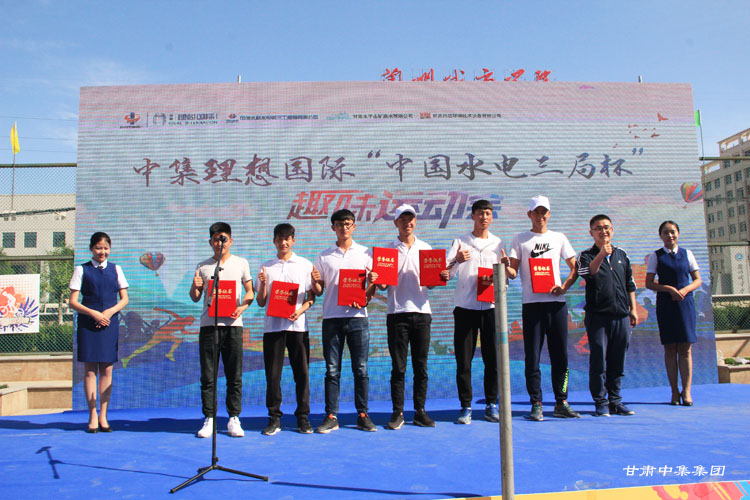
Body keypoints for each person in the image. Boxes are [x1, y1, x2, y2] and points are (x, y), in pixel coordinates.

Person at [507, 195, 580, 421]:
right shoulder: (520, 239)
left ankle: (561, 401)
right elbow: (513, 272)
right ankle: (536, 403)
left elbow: (575, 268)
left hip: (556, 305)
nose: (540, 216)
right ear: (529, 214)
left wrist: (564, 287)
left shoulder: (559, 237)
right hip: (532, 305)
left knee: (561, 357)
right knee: (532, 357)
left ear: (549, 214)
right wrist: (505, 267)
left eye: (544, 212)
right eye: (536, 212)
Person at [444, 199, 509, 425]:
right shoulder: (460, 242)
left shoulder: (498, 243)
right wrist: (456, 260)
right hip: (465, 308)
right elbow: (446, 274)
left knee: (492, 360)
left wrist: (506, 268)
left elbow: (505, 277)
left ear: (492, 217)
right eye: (480, 213)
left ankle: (491, 404)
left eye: (488, 213)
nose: (484, 217)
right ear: (472, 216)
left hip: (491, 309)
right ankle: (466, 406)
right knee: (464, 361)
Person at [312, 209, 376, 433]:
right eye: (339, 224)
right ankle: (331, 415)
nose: (344, 228)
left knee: (361, 369)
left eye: (348, 224)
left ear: (354, 226)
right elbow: (319, 290)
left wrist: (369, 289)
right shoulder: (324, 256)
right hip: (332, 318)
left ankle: (363, 414)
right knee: (332, 370)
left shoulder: (366, 253)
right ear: (333, 228)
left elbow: (371, 290)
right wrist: (315, 281)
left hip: (358, 318)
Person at [373, 204, 437, 430]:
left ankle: (420, 411)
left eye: (411, 219)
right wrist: (376, 278)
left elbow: (431, 283)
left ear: (415, 222)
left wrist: (440, 275)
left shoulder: (426, 248)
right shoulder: (387, 251)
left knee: (421, 366)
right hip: (397, 313)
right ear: (396, 223)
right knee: (398, 367)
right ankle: (397, 412)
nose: (407, 223)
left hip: (422, 312)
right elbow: (382, 286)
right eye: (403, 219)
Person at [190, 222, 254, 438]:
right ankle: (209, 418)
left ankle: (234, 417)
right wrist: (195, 285)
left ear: (231, 241)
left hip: (233, 326)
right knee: (208, 376)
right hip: (209, 326)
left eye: (224, 239)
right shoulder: (203, 266)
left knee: (234, 374)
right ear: (210, 242)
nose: (220, 243)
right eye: (216, 239)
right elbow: (195, 297)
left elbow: (250, 291)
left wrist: (242, 306)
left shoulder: (241, 263)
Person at [255, 223, 316, 435]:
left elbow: (311, 297)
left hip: (298, 327)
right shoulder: (266, 267)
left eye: (287, 238)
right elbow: (261, 302)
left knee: (302, 373)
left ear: (293, 240)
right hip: (273, 328)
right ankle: (274, 418)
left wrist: (299, 312)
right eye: (279, 238)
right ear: (274, 241)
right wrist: (263, 284)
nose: (283, 242)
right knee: (273, 375)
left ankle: (303, 417)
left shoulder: (305, 264)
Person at [577, 215, 638, 417]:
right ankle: (600, 402)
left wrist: (633, 309)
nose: (603, 231)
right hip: (598, 317)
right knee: (599, 361)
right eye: (598, 228)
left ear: (612, 230)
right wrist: (602, 254)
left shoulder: (622, 254)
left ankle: (616, 400)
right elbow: (588, 273)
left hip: (621, 315)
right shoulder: (585, 256)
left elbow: (629, 283)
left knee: (617, 360)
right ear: (591, 232)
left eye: (606, 227)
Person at [69, 232, 129, 433]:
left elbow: (124, 299)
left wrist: (109, 312)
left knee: (107, 369)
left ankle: (104, 415)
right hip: (88, 323)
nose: (102, 252)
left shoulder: (116, 269)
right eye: (98, 248)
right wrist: (94, 313)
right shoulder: (82, 269)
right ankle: (92, 415)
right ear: (91, 249)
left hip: (109, 323)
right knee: (89, 370)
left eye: (105, 248)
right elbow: (73, 302)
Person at [645, 220, 701, 406]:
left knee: (685, 348)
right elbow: (649, 283)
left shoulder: (687, 253)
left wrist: (684, 291)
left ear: (678, 233)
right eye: (666, 232)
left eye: (673, 232)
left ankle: (687, 391)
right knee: (670, 348)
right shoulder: (656, 256)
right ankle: (674, 392)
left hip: (685, 304)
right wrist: (668, 289)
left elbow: (697, 280)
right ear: (660, 235)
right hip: (666, 304)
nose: (670, 235)